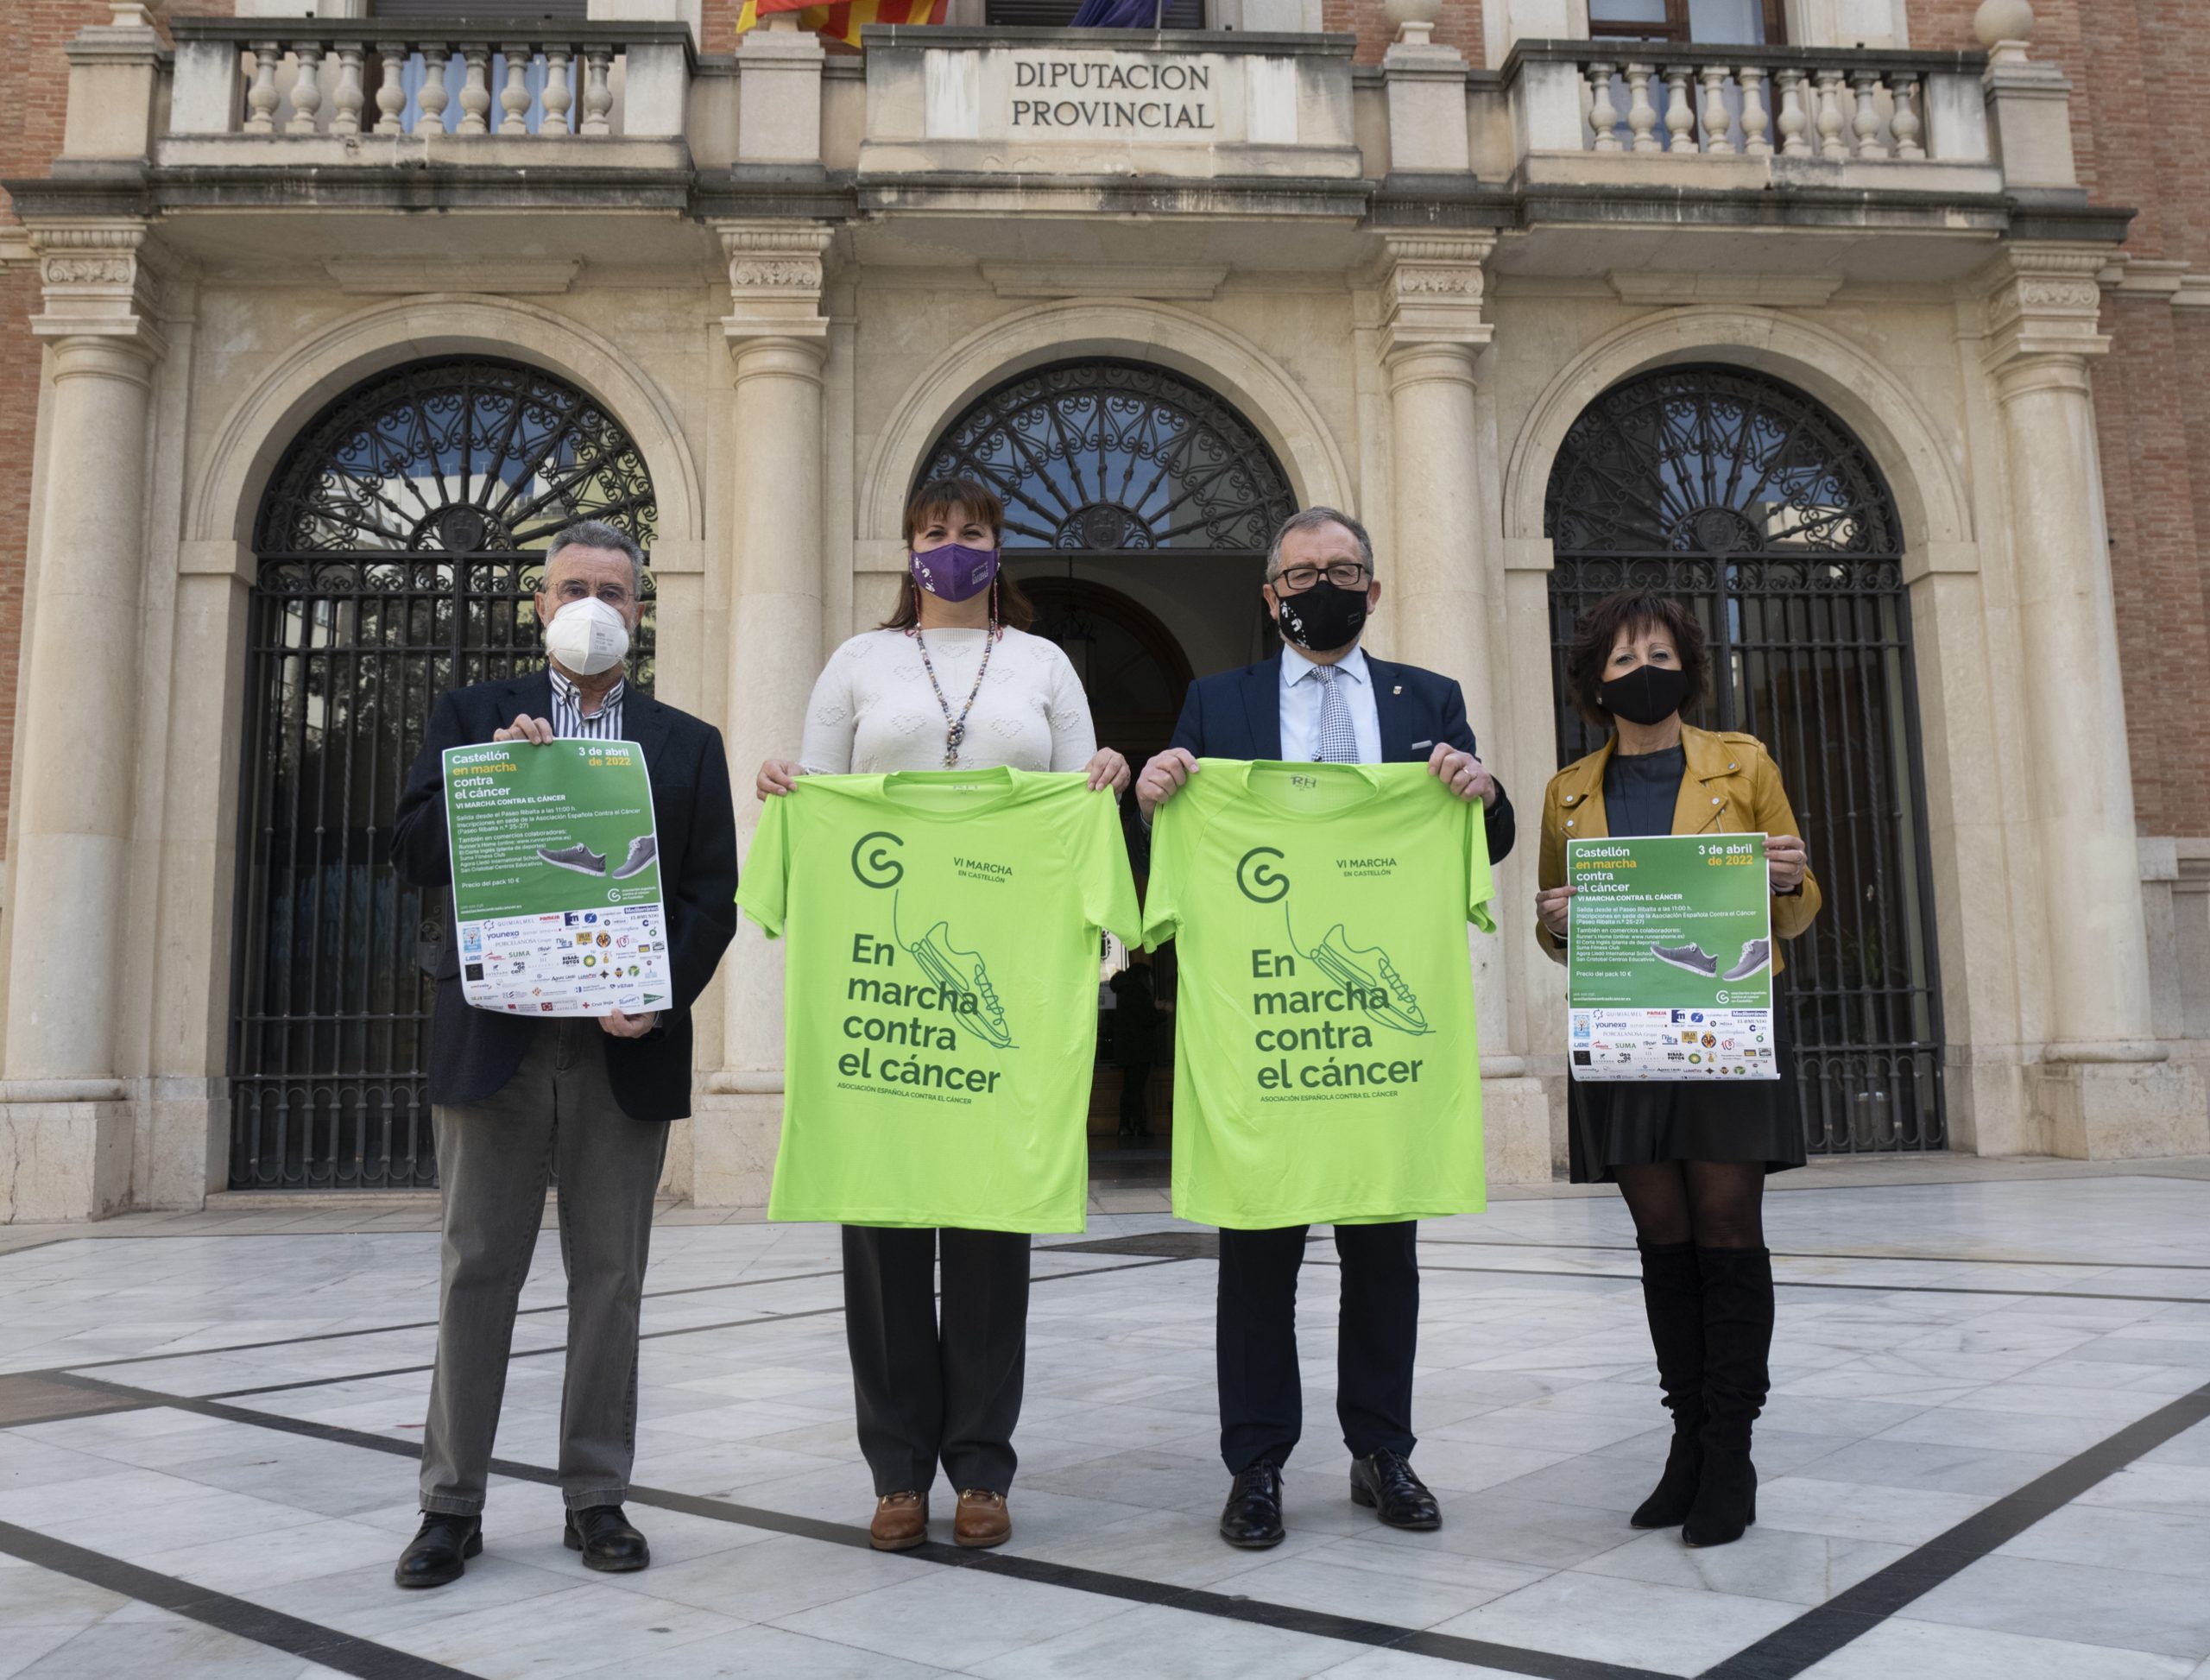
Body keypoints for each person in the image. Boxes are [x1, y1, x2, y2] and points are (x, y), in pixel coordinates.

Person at [756, 477, 1129, 1553]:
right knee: (878, 1226)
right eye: (935, 533)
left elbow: (1078, 803)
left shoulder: (1044, 664)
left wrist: (1100, 773)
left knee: (986, 1222)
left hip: (1002, 976)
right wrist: (790, 785)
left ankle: (980, 1469)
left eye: (972, 533)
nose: (954, 547)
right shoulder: (857, 663)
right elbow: (818, 792)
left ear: (997, 547)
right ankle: (894, 1474)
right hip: (884, 975)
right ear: (908, 549)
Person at [1133, 504, 1515, 1550]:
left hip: (1379, 1033)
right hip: (1269, 1028)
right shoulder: (1218, 701)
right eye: (1300, 572)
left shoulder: (1427, 697)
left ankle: (1381, 1450)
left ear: (1374, 590)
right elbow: (1168, 838)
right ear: (1269, 596)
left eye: (1341, 569)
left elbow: (1485, 835)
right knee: (1257, 1253)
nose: (1321, 585)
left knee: (1383, 1247)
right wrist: (1157, 790)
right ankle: (1255, 1465)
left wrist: (1481, 789)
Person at [387, 521, 739, 1588]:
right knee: (475, 1269)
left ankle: (597, 1496)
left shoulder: (685, 742)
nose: (594, 604)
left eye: (615, 590)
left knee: (612, 1278)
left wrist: (657, 991)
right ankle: (451, 1503)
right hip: (495, 1038)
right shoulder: (474, 717)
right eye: (574, 587)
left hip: (614, 1048)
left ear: (640, 612)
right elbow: (408, 853)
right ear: (540, 606)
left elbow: (709, 897)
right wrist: (488, 776)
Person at [1533, 590, 1822, 1550]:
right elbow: (1555, 926)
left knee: (1727, 1224)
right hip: (1623, 1031)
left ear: (1685, 665)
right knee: (1660, 1235)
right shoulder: (1566, 788)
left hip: (1726, 1024)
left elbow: (1800, 897)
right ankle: (1685, 1443)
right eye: (1620, 659)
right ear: (1594, 682)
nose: (1640, 668)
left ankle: (1730, 1449)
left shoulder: (1743, 761)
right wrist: (1555, 921)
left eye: (1656, 652)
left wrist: (1786, 876)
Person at [1108, 955, 1159, 1140]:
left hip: (1126, 1050)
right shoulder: (1139, 992)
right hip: (1139, 1050)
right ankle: (1138, 1126)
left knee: (1129, 1089)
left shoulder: (1124, 991)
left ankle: (1124, 1126)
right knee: (1137, 1090)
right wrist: (1161, 1011)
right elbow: (1147, 1019)